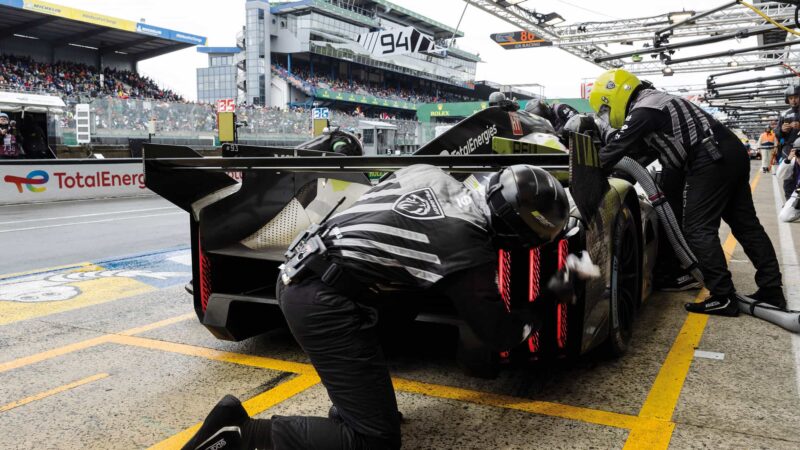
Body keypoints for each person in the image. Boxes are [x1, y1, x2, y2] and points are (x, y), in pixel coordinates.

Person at [182, 164, 571, 450]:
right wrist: (555, 291)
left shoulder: (430, 174)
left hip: (306, 272)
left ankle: (353, 405)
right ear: (515, 230)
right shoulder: (466, 245)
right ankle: (239, 433)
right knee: (374, 440)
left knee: (408, 300)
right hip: (321, 300)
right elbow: (501, 335)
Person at [589, 68, 785, 316]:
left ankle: (723, 295)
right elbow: (638, 158)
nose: (606, 115)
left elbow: (616, 148)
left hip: (710, 157)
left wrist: (586, 168)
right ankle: (772, 290)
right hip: (729, 152)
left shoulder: (644, 109)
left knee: (697, 228)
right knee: (746, 225)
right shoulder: (655, 104)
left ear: (612, 97)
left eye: (604, 110)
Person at [776, 84, 800, 197]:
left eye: (796, 97)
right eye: (791, 98)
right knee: (788, 178)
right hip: (788, 149)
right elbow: (777, 133)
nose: (793, 100)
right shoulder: (784, 114)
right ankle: (789, 204)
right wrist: (782, 130)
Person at [777, 142, 800, 222]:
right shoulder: (792, 161)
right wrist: (788, 160)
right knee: (784, 216)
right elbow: (780, 175)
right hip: (799, 191)